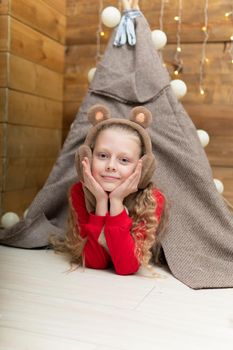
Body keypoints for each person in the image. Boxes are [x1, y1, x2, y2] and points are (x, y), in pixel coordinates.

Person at [52, 104, 167, 275]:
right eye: (103, 156)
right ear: (88, 157)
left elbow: (126, 267)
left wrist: (116, 201)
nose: (111, 166)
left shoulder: (152, 199)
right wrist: (100, 202)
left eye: (124, 160)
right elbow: (94, 262)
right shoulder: (80, 192)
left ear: (142, 168)